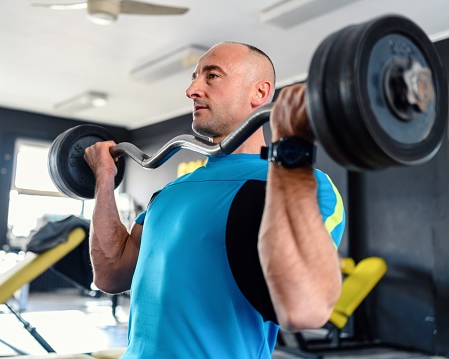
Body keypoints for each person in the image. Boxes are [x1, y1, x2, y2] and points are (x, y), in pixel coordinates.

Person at [84, 41, 346, 359]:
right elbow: (110, 275)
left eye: (212, 76)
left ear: (260, 94)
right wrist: (103, 179)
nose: (192, 89)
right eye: (195, 76)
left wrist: (292, 147)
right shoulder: (172, 191)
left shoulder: (307, 185)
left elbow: (303, 309)